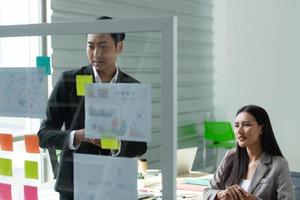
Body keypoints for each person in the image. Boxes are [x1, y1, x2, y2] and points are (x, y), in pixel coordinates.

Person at [38, 16, 147, 200]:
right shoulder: (69, 81)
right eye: (91, 46)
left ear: (119, 47)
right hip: (73, 187)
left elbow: (140, 146)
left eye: (103, 46)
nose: (96, 54)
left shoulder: (132, 88)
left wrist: (114, 142)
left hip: (115, 186)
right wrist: (79, 136)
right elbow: (44, 135)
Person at [203, 105, 295, 200]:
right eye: (236, 125)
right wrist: (221, 194)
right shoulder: (230, 156)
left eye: (246, 125)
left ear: (261, 129)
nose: (239, 131)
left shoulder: (278, 164)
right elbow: (207, 191)